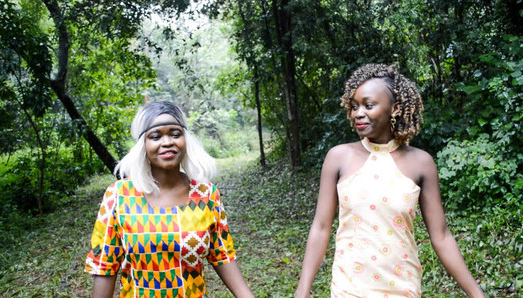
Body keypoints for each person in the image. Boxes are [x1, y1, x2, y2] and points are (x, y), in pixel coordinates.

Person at [295, 64, 484, 297]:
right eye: (354, 107)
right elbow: (321, 228)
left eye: (368, 105)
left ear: (394, 108)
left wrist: (477, 294)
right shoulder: (338, 157)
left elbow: (441, 236)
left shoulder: (421, 163)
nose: (358, 113)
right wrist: (301, 292)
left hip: (402, 287)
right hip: (349, 288)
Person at [85, 101, 253, 298]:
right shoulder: (118, 196)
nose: (167, 142)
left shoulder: (206, 194)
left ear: (185, 140)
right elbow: (105, 267)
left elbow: (221, 255)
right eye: (155, 136)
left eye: (175, 134)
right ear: (143, 145)